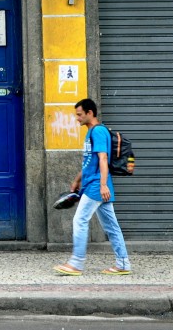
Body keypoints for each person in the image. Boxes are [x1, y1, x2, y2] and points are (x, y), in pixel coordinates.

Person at [53, 97, 131, 276]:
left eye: (80, 115)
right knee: (111, 226)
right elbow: (91, 161)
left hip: (96, 185)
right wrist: (77, 179)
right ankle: (123, 263)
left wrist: (103, 185)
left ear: (90, 113)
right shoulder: (91, 133)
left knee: (79, 220)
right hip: (92, 183)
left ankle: (76, 263)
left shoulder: (98, 132)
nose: (77, 118)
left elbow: (103, 158)